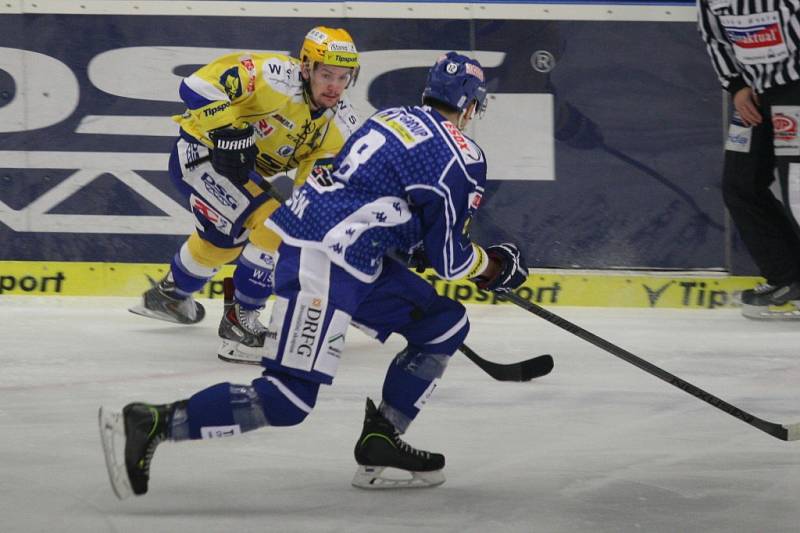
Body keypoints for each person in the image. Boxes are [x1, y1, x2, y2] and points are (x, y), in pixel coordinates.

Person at [99, 52, 529, 498]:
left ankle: (382, 440)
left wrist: (412, 240)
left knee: (443, 323)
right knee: (287, 400)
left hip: (343, 251)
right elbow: (452, 262)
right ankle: (152, 423)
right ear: (471, 104)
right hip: (322, 262)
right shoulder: (462, 157)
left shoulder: (392, 118)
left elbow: (370, 194)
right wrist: (497, 268)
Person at [129, 26, 362, 350]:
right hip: (199, 155)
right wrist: (226, 129)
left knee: (223, 244)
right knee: (273, 224)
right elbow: (196, 85)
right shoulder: (270, 75)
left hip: (243, 175)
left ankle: (169, 297)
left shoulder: (340, 126)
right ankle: (241, 317)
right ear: (307, 66)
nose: (335, 86)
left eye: (343, 77)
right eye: (327, 74)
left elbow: (312, 194)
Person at [698, 0, 800, 319]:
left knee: (797, 190)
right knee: (740, 184)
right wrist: (737, 85)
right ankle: (790, 279)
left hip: (795, 90)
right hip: (754, 93)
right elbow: (714, 36)